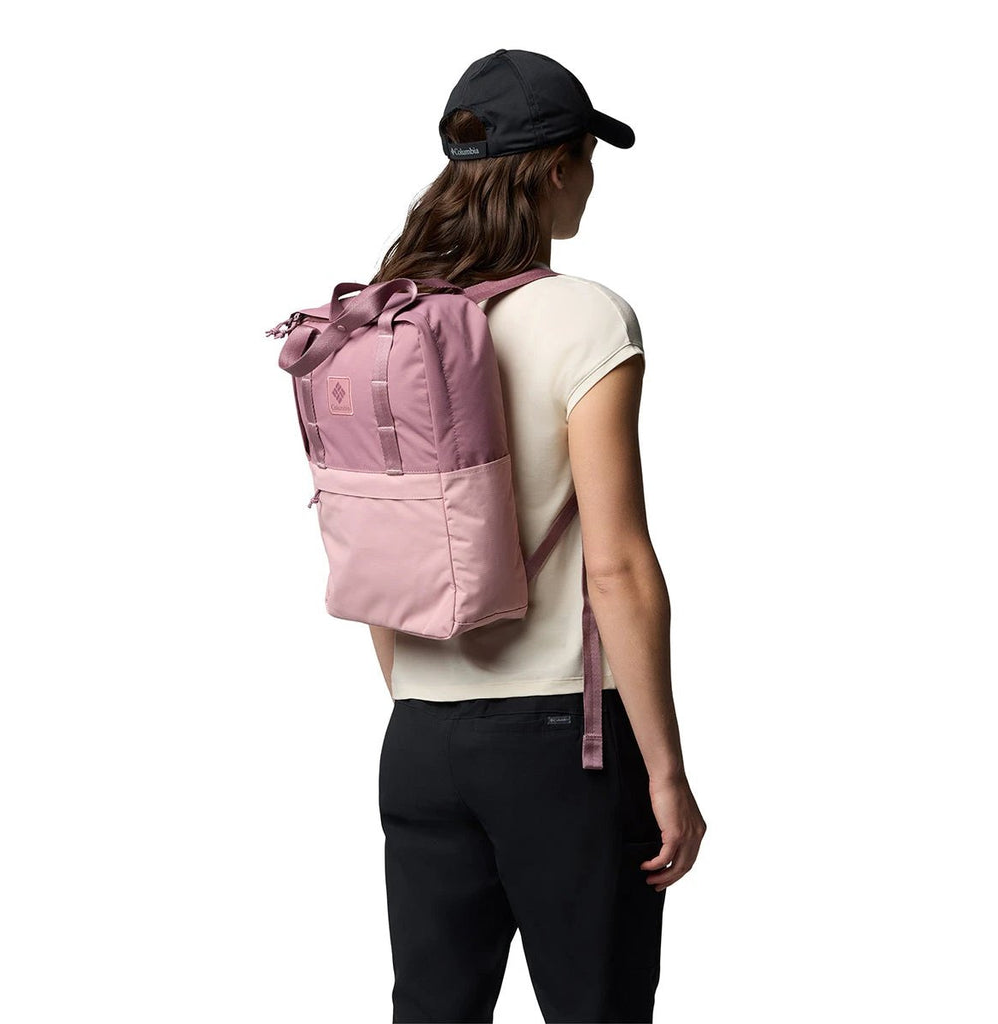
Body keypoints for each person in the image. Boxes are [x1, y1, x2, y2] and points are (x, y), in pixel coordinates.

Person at [366, 49, 707, 1024]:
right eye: (587, 162)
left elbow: (374, 545)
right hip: (566, 743)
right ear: (558, 167)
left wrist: (430, 700)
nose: (590, 185)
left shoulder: (383, 320)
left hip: (419, 740)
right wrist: (665, 770)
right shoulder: (584, 319)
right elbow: (618, 566)